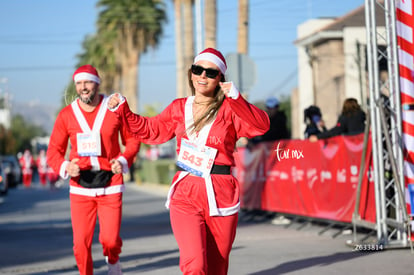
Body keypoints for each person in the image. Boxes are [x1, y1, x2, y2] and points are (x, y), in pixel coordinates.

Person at [108, 48, 270, 275]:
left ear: (220, 78)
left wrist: (236, 97)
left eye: (210, 72)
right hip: (185, 192)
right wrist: (122, 109)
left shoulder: (231, 110)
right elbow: (150, 130)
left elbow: (262, 125)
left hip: (220, 193)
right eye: (198, 70)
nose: (203, 76)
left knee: (217, 267)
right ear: (191, 74)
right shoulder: (178, 107)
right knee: (194, 265)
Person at [47, 64, 141, 275]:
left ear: (97, 83)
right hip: (80, 187)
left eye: (88, 82)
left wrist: (124, 160)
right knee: (80, 245)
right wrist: (65, 166)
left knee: (110, 240)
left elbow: (133, 139)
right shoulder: (66, 115)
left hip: (111, 184)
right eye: (79, 83)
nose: (83, 87)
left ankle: (114, 260)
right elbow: (53, 151)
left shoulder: (114, 108)